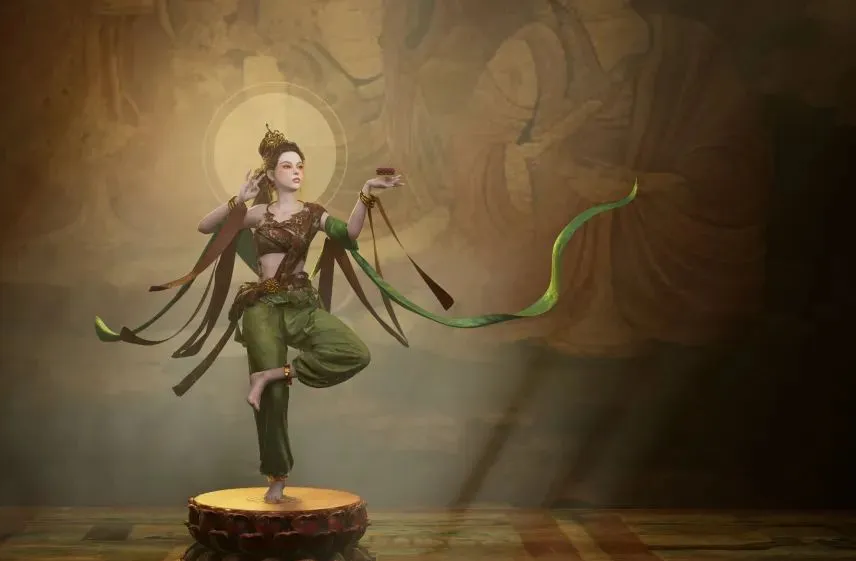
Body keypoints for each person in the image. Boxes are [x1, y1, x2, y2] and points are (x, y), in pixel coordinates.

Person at [95, 124, 636, 502]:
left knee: (352, 352)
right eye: (287, 166)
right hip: (261, 308)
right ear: (270, 173)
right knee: (274, 403)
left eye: (301, 166)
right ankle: (277, 478)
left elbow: (350, 235)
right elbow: (206, 227)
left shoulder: (313, 213)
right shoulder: (256, 214)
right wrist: (238, 197)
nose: (296, 172)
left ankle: (272, 374)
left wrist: (366, 194)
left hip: (301, 305)